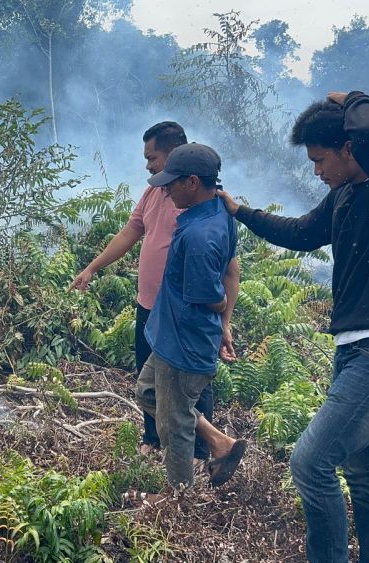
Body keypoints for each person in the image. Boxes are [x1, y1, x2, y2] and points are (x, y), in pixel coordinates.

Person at [216, 92, 369, 562]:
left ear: (348, 148)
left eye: (320, 159)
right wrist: (242, 212)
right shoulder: (343, 197)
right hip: (360, 351)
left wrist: (354, 97)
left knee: (311, 463)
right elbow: (298, 234)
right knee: (366, 475)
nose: (316, 170)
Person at [70, 122, 241, 464]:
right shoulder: (155, 192)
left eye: (153, 157)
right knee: (149, 381)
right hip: (151, 306)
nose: (148, 165)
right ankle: (156, 436)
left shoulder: (200, 206)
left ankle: (198, 453)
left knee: (189, 385)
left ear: (176, 156)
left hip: (186, 315)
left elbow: (229, 270)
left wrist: (225, 319)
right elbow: (131, 231)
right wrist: (92, 267)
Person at [126, 142, 247, 506]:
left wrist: (221, 310)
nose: (165, 189)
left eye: (172, 183)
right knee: (148, 393)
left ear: (192, 182)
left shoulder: (199, 236)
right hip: (169, 336)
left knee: (173, 426)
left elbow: (210, 294)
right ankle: (219, 442)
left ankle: (179, 499)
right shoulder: (216, 212)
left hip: (183, 345)